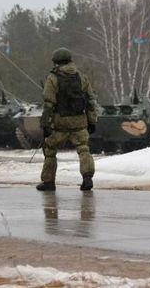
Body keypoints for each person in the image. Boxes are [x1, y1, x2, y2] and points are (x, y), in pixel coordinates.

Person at [36, 48, 98, 192]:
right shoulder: (81, 77)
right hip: (79, 121)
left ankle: (48, 182)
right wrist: (92, 121)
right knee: (83, 148)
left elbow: (48, 103)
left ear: (56, 62)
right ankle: (87, 177)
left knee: (50, 149)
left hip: (60, 122)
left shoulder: (53, 78)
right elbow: (90, 101)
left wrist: (45, 124)